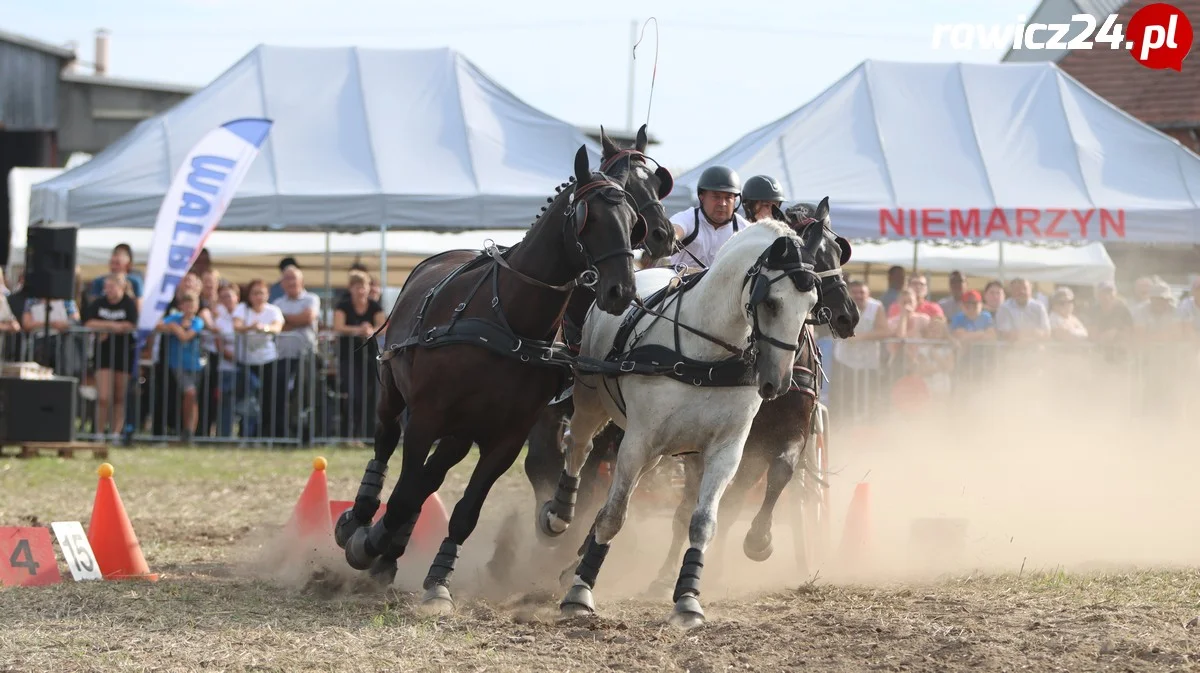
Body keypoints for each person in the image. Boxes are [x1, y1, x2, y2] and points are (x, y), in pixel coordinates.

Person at [82, 274, 138, 438]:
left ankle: (115, 433)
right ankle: (99, 432)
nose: (107, 290)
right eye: (106, 287)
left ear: (121, 287)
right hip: (104, 354)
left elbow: (130, 324)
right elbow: (88, 322)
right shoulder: (99, 303)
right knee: (104, 396)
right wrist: (113, 326)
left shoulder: (128, 303)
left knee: (119, 396)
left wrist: (108, 327)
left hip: (124, 353)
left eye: (111, 287)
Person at [333, 270, 386, 440]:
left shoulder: (375, 306)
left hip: (369, 357)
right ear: (350, 288)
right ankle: (349, 434)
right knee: (353, 394)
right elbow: (338, 327)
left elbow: (382, 327)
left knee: (372, 395)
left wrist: (371, 331)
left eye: (363, 286)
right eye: (357, 287)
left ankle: (369, 434)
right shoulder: (343, 306)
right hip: (349, 356)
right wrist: (359, 330)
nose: (361, 290)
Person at [665, 165, 751, 270]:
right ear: (702, 197)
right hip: (682, 284)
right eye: (716, 197)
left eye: (728, 197)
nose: (722, 204)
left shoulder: (746, 230)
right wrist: (672, 236)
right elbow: (676, 229)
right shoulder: (687, 218)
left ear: (735, 200)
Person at [156, 292, 205, 443]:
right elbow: (158, 326)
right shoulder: (174, 318)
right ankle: (186, 430)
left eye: (192, 305)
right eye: (186, 304)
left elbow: (185, 336)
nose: (189, 308)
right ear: (181, 306)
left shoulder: (198, 321)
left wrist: (173, 328)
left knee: (192, 396)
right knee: (189, 393)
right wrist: (172, 325)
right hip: (177, 364)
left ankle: (189, 431)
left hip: (195, 365)